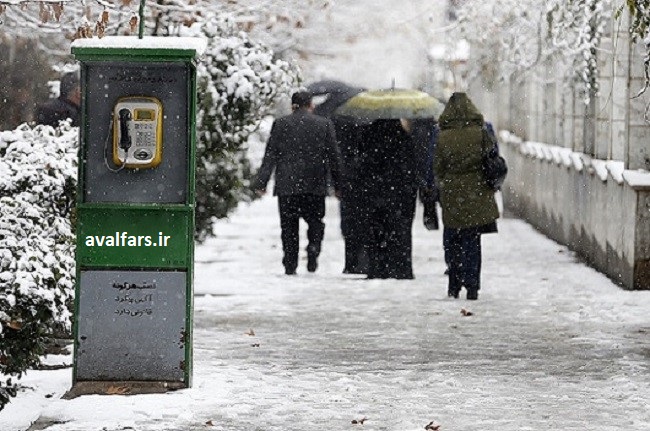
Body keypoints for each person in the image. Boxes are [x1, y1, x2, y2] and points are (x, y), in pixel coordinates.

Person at [253, 91, 343, 275]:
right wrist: (338, 185)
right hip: (315, 184)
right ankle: (313, 249)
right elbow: (334, 157)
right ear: (311, 105)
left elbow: (270, 155)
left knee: (289, 227)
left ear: (292, 106)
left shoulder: (281, 124)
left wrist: (262, 182)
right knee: (316, 222)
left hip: (288, 186)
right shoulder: (324, 125)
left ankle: (290, 263)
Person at [433, 92, 499, 300]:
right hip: (476, 190)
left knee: (452, 238)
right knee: (472, 240)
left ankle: (454, 284)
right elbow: (492, 158)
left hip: (452, 193)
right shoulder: (481, 132)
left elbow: (438, 168)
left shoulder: (443, 135)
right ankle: (472, 286)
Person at [358, 118, 418, 279]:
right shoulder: (404, 139)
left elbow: (361, 166)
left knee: (376, 232)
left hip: (374, 193)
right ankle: (401, 268)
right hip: (398, 195)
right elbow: (411, 168)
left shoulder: (368, 137)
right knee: (400, 233)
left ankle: (377, 267)